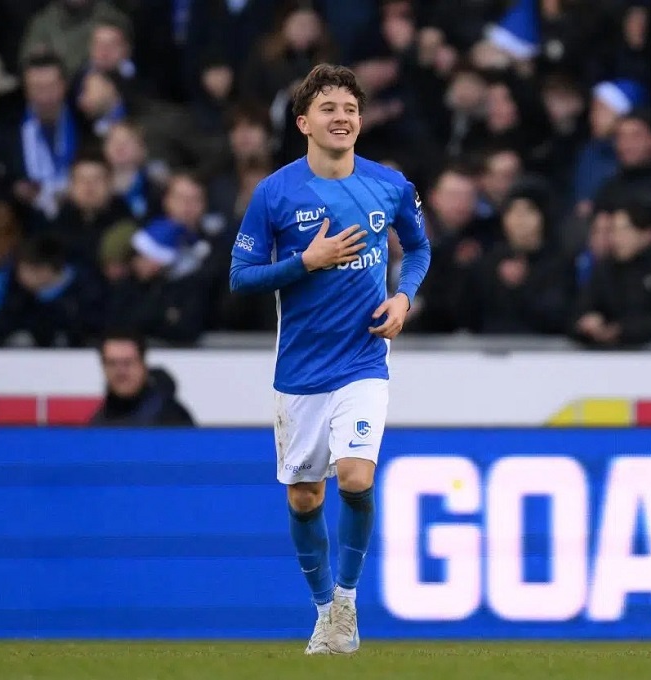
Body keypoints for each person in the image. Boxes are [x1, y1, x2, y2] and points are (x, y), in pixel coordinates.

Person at [228, 64, 431, 655]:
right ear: (303, 123)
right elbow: (240, 277)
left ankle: (346, 600)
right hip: (299, 371)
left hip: (363, 359)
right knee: (304, 498)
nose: (342, 118)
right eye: (329, 108)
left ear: (360, 121)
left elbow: (418, 249)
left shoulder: (390, 186)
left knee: (356, 477)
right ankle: (323, 612)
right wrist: (305, 263)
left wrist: (403, 296)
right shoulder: (275, 193)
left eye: (350, 109)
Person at [87, 328, 195, 426]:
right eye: (112, 363)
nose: (120, 371)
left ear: (143, 365)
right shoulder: (97, 424)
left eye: (127, 363)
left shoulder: (172, 417)